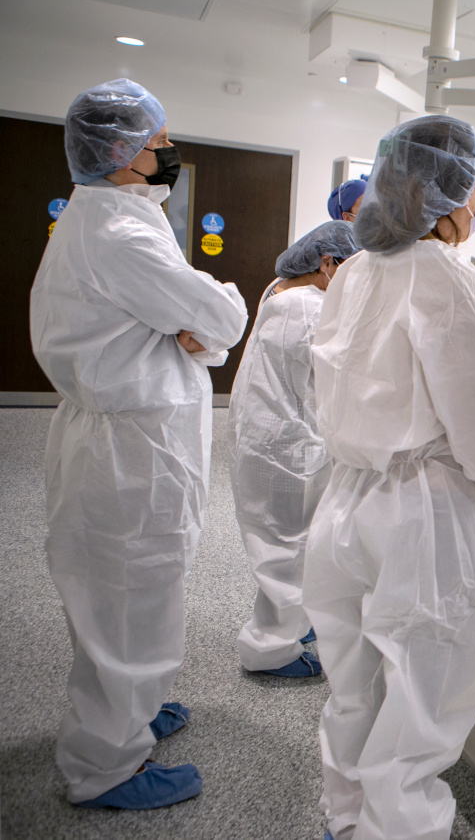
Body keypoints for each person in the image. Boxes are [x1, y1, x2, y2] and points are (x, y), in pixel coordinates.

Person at [303, 116, 475, 840]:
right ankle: (401, 828)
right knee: (421, 692)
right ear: (445, 193)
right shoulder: (451, 284)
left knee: (353, 681)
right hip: (422, 515)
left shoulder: (355, 272)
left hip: (346, 498)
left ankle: (348, 816)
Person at [29, 79, 248, 809]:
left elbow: (193, 328)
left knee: (146, 592)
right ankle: (105, 767)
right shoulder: (117, 234)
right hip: (128, 451)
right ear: (122, 153)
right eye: (159, 145)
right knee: (123, 605)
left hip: (138, 438)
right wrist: (206, 319)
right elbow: (218, 312)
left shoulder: (120, 216)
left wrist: (194, 330)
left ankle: (139, 712)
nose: (168, 155)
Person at [227, 220, 361, 678]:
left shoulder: (279, 290)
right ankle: (271, 649)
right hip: (287, 449)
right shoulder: (311, 307)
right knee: (288, 549)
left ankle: (291, 626)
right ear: (328, 264)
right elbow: (340, 378)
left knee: (284, 543)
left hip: (265, 435)